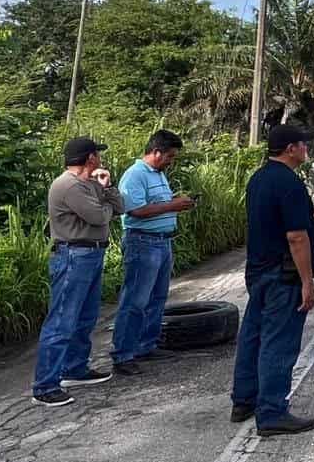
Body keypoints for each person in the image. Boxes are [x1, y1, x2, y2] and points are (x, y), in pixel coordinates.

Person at [230, 125, 314, 436]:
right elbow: (296, 236)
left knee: (252, 335)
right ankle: (271, 411)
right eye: (302, 145)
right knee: (278, 342)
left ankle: (244, 399)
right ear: (290, 149)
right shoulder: (288, 184)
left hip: (258, 271)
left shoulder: (259, 178)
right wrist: (307, 282)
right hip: (283, 275)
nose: (305, 150)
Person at [32, 137, 125, 407]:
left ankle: (75, 368)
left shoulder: (89, 184)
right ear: (89, 158)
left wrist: (107, 187)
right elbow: (99, 217)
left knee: (85, 316)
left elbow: (119, 208)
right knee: (62, 320)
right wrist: (104, 206)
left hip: (91, 253)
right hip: (74, 255)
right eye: (96, 154)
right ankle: (45, 384)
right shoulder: (69, 185)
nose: (99, 158)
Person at [111, 130, 195, 375]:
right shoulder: (135, 175)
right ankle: (123, 354)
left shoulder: (159, 174)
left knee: (157, 298)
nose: (171, 161)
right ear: (156, 152)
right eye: (169, 156)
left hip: (161, 242)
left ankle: (146, 345)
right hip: (142, 243)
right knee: (135, 300)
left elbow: (158, 205)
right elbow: (134, 210)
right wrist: (173, 205)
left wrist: (178, 204)